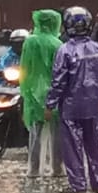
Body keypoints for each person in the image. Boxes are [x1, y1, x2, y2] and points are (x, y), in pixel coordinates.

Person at [47, 7, 98, 193]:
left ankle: (78, 185)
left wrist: (50, 104)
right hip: (92, 106)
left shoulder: (64, 51)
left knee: (73, 147)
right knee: (93, 145)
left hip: (71, 107)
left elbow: (58, 81)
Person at [20, 10, 64, 178]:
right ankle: (57, 167)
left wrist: (25, 89)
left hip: (33, 91)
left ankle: (33, 168)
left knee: (35, 132)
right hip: (54, 91)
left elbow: (24, 67)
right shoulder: (58, 44)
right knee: (56, 132)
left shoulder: (29, 43)